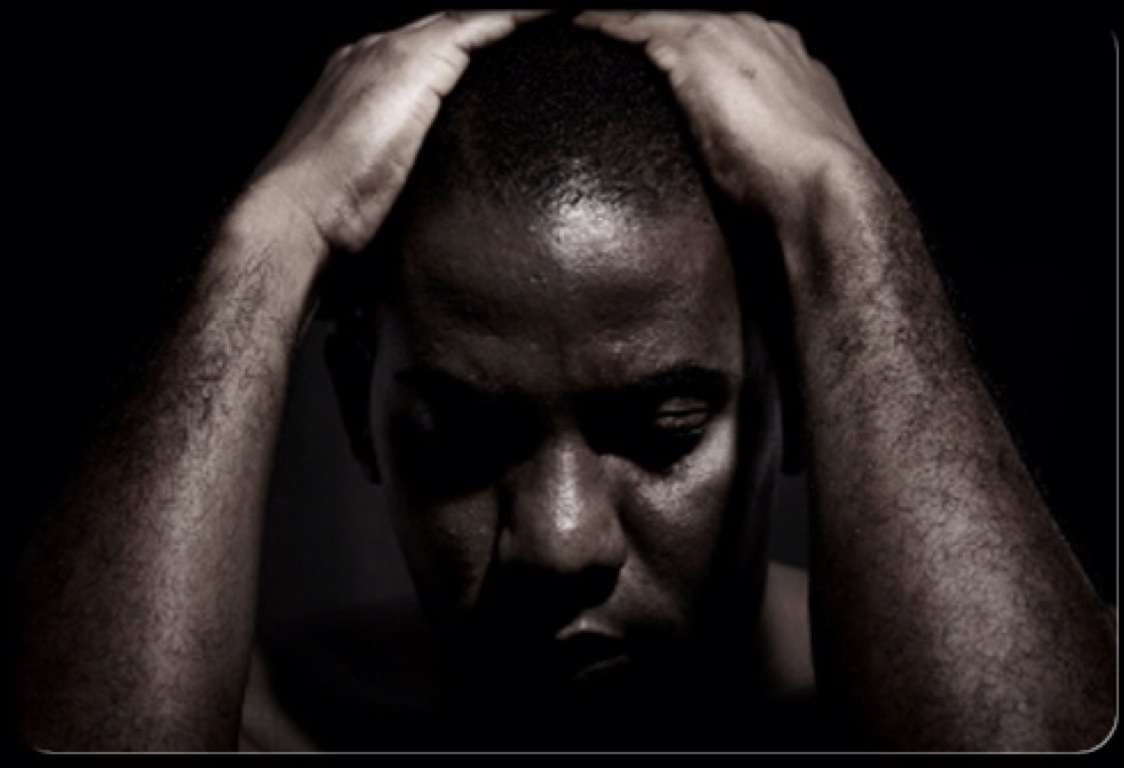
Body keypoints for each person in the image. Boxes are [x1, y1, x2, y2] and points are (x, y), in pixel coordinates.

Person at [12, 10, 1115, 752]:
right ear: (357, 409)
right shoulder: (264, 726)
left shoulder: (1053, 671)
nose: (558, 541)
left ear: (790, 388)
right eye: (461, 439)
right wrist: (267, 239)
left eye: (663, 429)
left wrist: (846, 215)